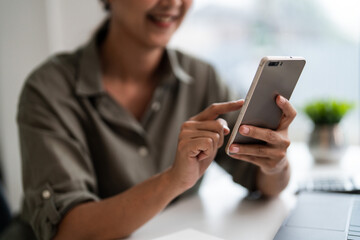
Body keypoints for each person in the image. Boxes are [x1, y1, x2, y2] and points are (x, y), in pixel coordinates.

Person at [12, 0, 295, 239]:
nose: (172, 3)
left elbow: (263, 182)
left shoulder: (203, 78)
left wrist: (275, 163)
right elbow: (68, 229)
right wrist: (173, 180)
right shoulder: (49, 90)